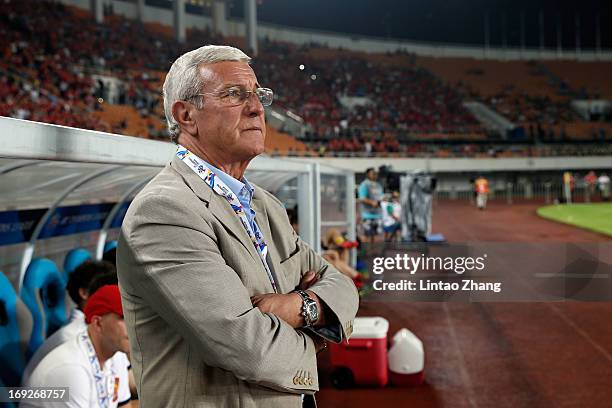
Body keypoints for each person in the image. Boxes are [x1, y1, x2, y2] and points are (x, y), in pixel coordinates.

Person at [116, 45, 358, 408]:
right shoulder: (164, 211)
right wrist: (322, 331)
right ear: (186, 115)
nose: (257, 108)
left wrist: (302, 308)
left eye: (259, 95)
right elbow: (247, 346)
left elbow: (340, 284)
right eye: (234, 94)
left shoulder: (265, 204)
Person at [23, 285, 131, 408]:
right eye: (124, 318)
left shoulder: (116, 353)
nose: (134, 326)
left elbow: (124, 405)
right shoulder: (72, 369)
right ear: (98, 323)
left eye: (135, 317)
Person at [358, 167, 383, 245]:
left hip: (378, 214)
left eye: (376, 174)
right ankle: (366, 253)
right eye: (373, 174)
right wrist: (372, 202)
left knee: (376, 236)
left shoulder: (379, 185)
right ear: (368, 174)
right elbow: (362, 198)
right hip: (367, 214)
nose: (375, 175)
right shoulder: (364, 185)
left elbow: (381, 197)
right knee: (366, 235)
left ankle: (373, 252)